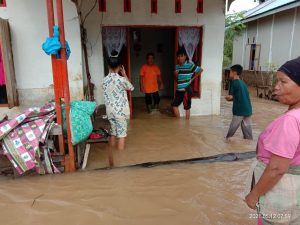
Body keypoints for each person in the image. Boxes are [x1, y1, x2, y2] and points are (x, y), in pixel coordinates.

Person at [244, 57, 300, 225]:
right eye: (277, 81)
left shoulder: (290, 120)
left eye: (283, 82)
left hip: (279, 192)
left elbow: (276, 168)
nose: (276, 87)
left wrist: (253, 195)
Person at [102, 51, 134, 150]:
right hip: (120, 112)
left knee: (113, 132)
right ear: (120, 66)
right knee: (121, 135)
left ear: (108, 66)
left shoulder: (104, 80)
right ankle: (120, 157)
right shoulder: (122, 80)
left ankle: (112, 152)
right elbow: (131, 88)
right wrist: (124, 74)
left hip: (110, 111)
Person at [171, 48, 203, 119]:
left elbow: (200, 70)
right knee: (174, 105)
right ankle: (178, 123)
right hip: (179, 90)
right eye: (178, 56)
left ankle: (187, 125)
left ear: (185, 57)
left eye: (181, 56)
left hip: (186, 89)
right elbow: (177, 79)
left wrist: (192, 79)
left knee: (187, 107)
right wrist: (175, 74)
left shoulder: (190, 65)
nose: (179, 58)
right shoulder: (177, 66)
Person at [225, 64, 253, 140]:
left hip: (239, 111)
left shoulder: (233, 82)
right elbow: (240, 96)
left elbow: (231, 97)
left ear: (234, 73)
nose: (229, 74)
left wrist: (227, 98)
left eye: (230, 72)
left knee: (230, 133)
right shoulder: (243, 83)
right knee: (248, 135)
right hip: (248, 110)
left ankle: (226, 143)